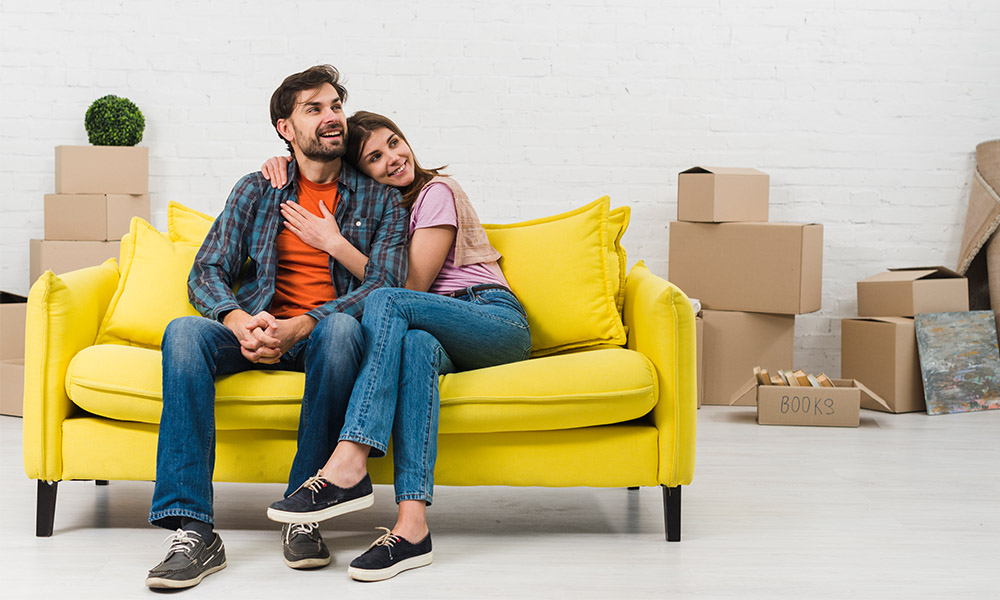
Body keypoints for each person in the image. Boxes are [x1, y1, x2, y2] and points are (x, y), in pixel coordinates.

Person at [145, 67, 409, 590]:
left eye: (335, 105)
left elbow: (387, 286)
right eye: (314, 109)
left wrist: (301, 325)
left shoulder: (379, 199)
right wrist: (240, 322)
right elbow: (208, 269)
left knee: (339, 334)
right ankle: (193, 530)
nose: (332, 117)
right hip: (258, 325)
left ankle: (303, 512)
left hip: (320, 334)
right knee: (182, 333)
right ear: (285, 128)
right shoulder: (257, 188)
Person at [259, 111, 531, 581]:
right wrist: (281, 164)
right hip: (441, 331)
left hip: (490, 317)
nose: (393, 158)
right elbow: (315, 163)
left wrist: (333, 242)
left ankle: (349, 461)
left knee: (389, 298)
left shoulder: (435, 192)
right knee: (416, 349)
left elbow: (412, 286)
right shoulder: (384, 210)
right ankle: (412, 529)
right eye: (375, 157)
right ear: (359, 171)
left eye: (394, 143)